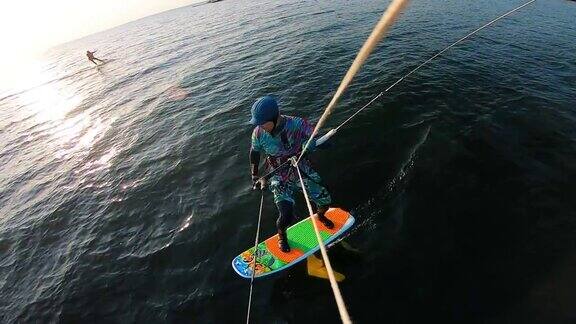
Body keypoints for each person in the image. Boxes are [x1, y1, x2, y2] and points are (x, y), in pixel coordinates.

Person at [249, 96, 334, 253]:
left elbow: (322, 140)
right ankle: (282, 236)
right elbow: (254, 152)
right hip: (278, 175)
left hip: (301, 168)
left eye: (263, 122)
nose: (260, 126)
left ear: (275, 117)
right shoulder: (258, 133)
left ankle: (320, 216)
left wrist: (314, 143)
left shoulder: (298, 124)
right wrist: (254, 174)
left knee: (325, 201)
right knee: (285, 213)